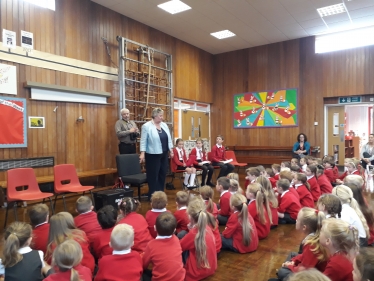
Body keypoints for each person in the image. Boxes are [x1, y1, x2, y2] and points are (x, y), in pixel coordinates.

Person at [274, 208, 327, 281]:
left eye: (297, 219)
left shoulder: (311, 244)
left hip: (312, 276)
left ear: (304, 227)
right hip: (310, 268)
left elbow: (305, 270)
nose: (296, 220)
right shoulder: (314, 237)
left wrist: (291, 266)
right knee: (292, 255)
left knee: (282, 272)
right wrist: (294, 261)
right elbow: (304, 256)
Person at [180, 198, 217, 281]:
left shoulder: (193, 233)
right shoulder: (207, 228)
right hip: (210, 268)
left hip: (194, 274)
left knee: (181, 235)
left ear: (190, 216)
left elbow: (179, 247)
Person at [139, 108, 173, 199]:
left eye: (162, 115)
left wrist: (171, 150)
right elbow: (143, 141)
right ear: (154, 116)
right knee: (153, 175)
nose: (162, 117)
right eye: (160, 116)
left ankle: (160, 194)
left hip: (164, 153)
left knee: (162, 173)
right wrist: (142, 153)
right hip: (152, 154)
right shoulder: (146, 126)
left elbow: (169, 139)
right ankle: (153, 195)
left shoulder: (164, 125)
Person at [143, 213, 186, 281]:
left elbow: (144, 265)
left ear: (155, 228)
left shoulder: (151, 245)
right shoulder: (176, 239)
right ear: (174, 230)